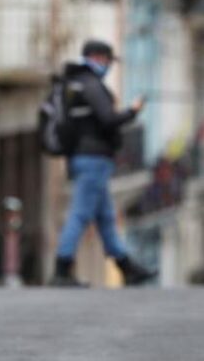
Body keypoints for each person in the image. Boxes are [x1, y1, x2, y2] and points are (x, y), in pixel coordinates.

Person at [50, 40, 156, 287]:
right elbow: (108, 119)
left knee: (106, 217)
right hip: (93, 159)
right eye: (107, 60)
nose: (108, 66)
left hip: (85, 158)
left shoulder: (75, 84)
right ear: (97, 57)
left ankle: (126, 267)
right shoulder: (90, 84)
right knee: (80, 214)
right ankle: (62, 268)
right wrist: (133, 111)